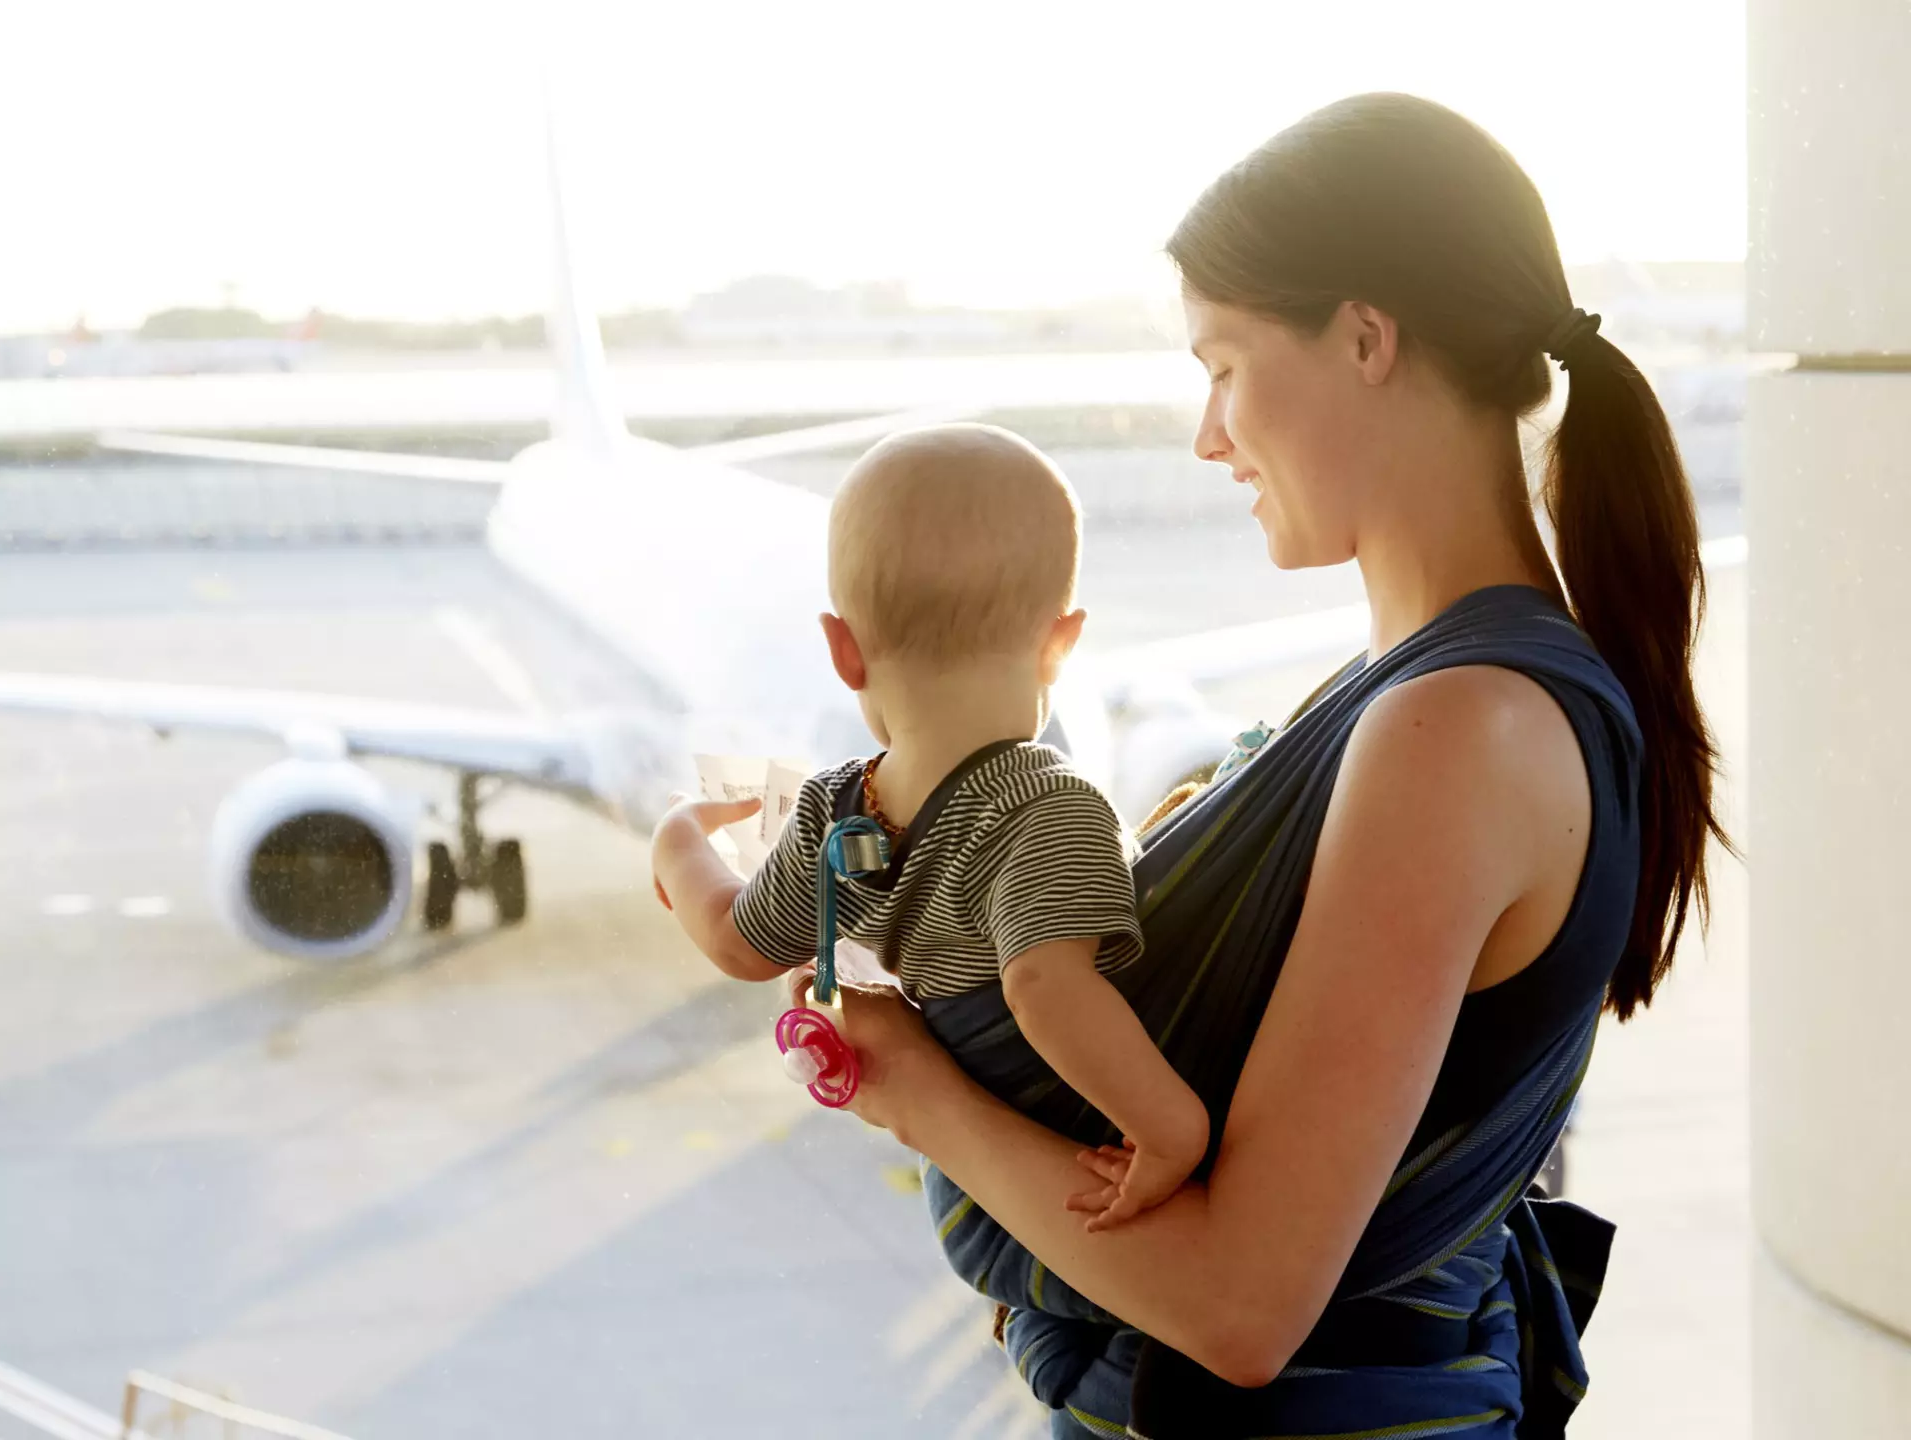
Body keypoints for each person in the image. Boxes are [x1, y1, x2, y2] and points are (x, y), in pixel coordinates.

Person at [797, 93, 1730, 1438]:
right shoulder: (1422, 693)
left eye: (1224, 364)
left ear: (1364, 337)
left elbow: (1244, 1306)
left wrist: (911, 1089)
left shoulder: (1456, 730)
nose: (1208, 433)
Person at [650, 423, 1211, 1229]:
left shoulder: (830, 811)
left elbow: (740, 943)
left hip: (973, 1197)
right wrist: (1170, 1130)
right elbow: (1042, 983)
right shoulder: (1054, 807)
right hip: (1059, 1169)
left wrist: (678, 846)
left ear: (844, 651)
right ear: (1062, 643)